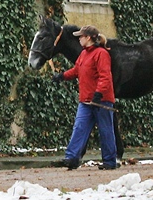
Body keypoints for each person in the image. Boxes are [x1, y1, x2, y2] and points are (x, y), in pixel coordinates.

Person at [50, 25, 118, 170]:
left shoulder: (101, 54)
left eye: (81, 36)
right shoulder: (84, 54)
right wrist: (62, 76)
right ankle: (71, 158)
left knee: (105, 130)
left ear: (88, 38)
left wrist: (99, 93)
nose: (79, 38)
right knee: (79, 127)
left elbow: (105, 76)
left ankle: (110, 161)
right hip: (86, 100)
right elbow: (76, 70)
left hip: (101, 100)